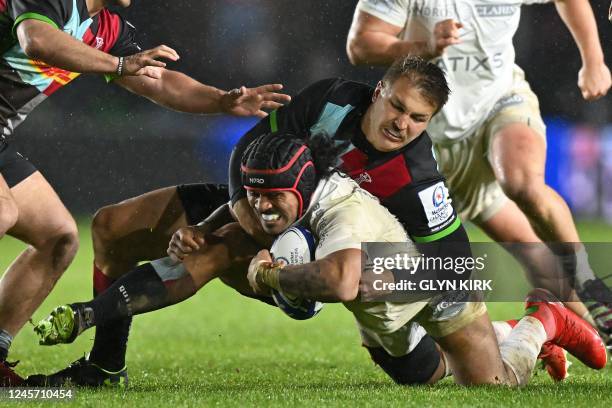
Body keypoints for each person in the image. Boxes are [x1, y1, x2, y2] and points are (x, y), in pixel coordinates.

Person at [30, 57, 581, 386]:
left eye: (419, 120)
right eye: (398, 108)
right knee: (113, 225)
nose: (402, 124)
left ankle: (538, 323)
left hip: (370, 255)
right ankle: (104, 366)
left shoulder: (415, 179)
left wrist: (379, 283)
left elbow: (455, 265)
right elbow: (252, 149)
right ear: (380, 90)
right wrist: (235, 213)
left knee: (469, 380)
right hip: (272, 211)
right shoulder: (331, 100)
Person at [0, 0, 291, 386]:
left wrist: (221, 99)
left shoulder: (106, 28)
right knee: (3, 211)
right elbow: (36, 39)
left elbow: (159, 81)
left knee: (58, 237)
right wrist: (119, 65)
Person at [345, 0, 612, 346]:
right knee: (525, 246)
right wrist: (422, 48)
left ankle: (588, 279)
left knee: (521, 182)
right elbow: (361, 44)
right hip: (434, 138)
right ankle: (588, 330)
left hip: (500, 100)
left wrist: (593, 60)